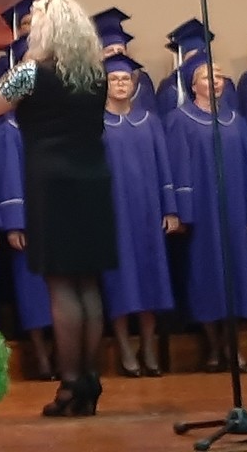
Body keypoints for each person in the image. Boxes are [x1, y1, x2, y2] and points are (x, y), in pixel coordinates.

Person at [0, 0, 115, 418]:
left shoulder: (33, 71)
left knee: (61, 284)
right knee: (87, 282)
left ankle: (70, 385)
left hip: (53, 182)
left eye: (36, 20)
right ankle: (89, 378)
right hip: (93, 179)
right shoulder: (96, 74)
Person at [162, 52, 247, 374]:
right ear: (193, 86)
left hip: (234, 210)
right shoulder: (180, 119)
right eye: (207, 77)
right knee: (206, 276)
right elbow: (177, 166)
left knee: (235, 275)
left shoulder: (236, 120)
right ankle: (212, 347)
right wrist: (183, 212)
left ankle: (232, 348)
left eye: (218, 76)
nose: (215, 81)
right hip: (202, 212)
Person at [100, 53, 181, 378]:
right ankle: (124, 348)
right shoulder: (97, 124)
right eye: (114, 79)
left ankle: (148, 347)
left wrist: (170, 208)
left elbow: (164, 167)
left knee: (150, 281)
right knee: (120, 283)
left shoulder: (149, 121)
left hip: (148, 213)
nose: (120, 84)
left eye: (125, 79)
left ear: (133, 85)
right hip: (113, 213)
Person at [0, 104, 56, 381]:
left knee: (61, 289)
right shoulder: (10, 131)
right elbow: (9, 178)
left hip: (58, 219)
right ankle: (42, 357)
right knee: (33, 291)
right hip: (29, 221)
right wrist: (14, 224)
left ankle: (62, 352)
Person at [155, 19, 237, 116]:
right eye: (192, 58)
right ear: (182, 58)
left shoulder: (225, 85)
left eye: (202, 55)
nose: (197, 63)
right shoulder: (170, 87)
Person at [93, 7, 158, 116]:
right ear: (100, 55)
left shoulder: (142, 80)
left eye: (120, 50)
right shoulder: (91, 82)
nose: (116, 53)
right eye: (110, 51)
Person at [0, 0, 35, 82]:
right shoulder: (5, 63)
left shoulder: (50, 57)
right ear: (17, 29)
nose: (33, 26)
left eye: (37, 22)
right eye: (26, 23)